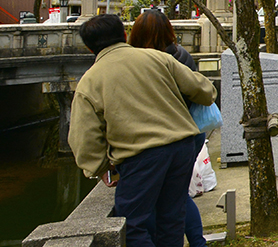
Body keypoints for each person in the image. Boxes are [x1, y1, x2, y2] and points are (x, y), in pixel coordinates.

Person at [69, 13, 215, 247]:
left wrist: (100, 167)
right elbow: (204, 91)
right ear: (124, 34)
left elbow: (84, 137)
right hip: (182, 146)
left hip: (141, 154)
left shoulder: (89, 81)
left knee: (134, 224)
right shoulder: (158, 58)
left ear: (88, 48)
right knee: (172, 217)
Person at [126, 10, 208, 247]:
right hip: (188, 133)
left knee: (154, 200)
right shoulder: (181, 55)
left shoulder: (139, 62)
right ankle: (197, 241)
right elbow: (198, 92)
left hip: (157, 137)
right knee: (177, 196)